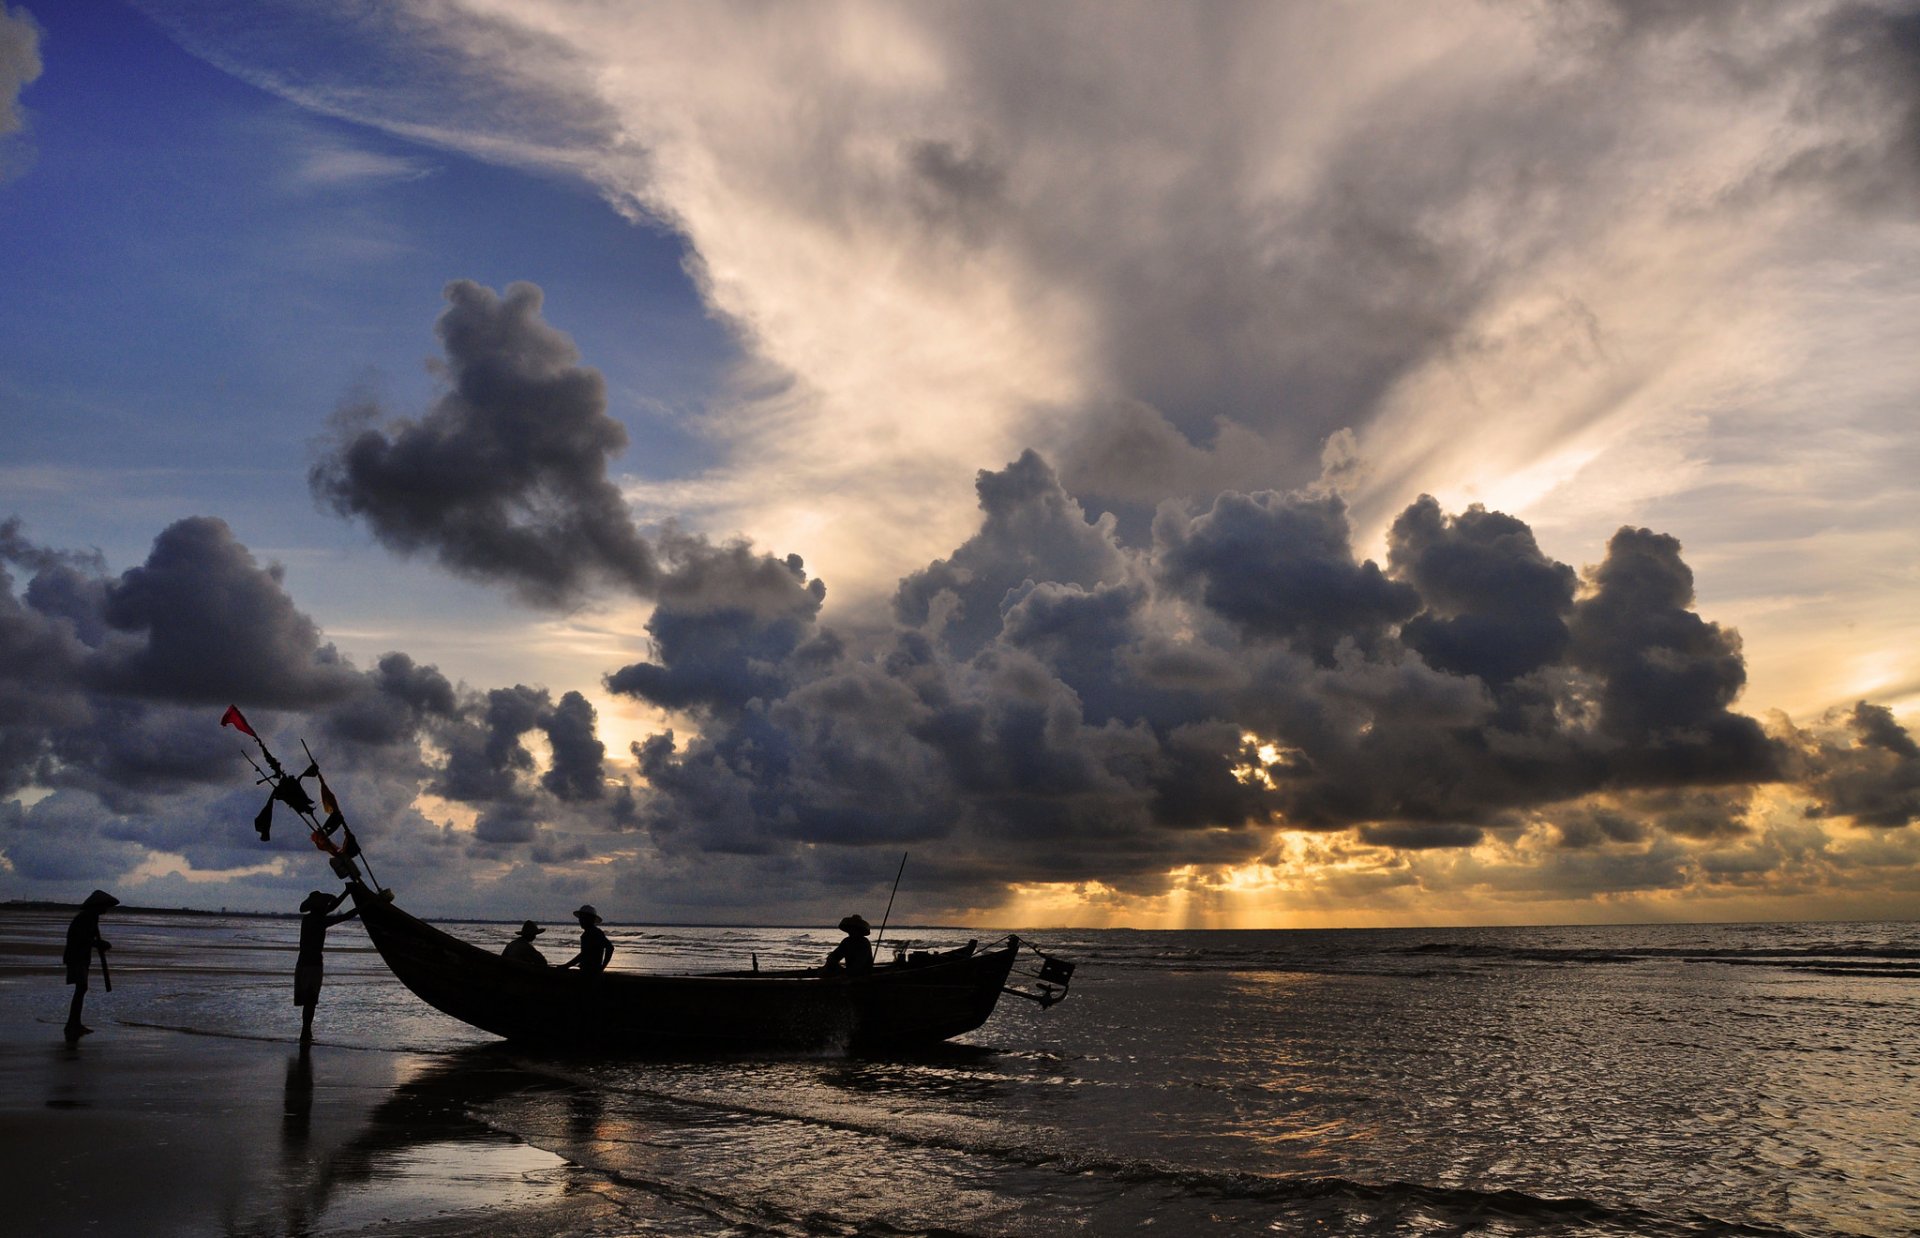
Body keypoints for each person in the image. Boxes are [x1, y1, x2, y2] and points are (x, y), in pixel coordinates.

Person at [295, 889, 360, 1042]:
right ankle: (306, 1031)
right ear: (320, 907)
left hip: (303, 963)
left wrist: (347, 892)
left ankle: (306, 1031)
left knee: (308, 1001)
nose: (327, 907)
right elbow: (344, 916)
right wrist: (363, 906)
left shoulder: (309, 919)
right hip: (314, 964)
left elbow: (332, 909)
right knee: (311, 1001)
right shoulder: (320, 920)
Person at [63, 889, 118, 1037]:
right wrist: (98, 944)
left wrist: (98, 943)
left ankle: (74, 1023)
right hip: (76, 957)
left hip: (80, 956)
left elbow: (87, 939)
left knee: (81, 989)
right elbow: (81, 939)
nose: (106, 909)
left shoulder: (91, 917)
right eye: (104, 906)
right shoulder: (86, 918)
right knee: (81, 989)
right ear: (97, 905)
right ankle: (72, 1024)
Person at [557, 904, 613, 974]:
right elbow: (609, 948)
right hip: (588, 970)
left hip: (590, 972)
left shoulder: (593, 933)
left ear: (591, 919)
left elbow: (584, 955)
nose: (580, 921)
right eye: (580, 918)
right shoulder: (592, 933)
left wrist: (566, 965)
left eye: (583, 918)